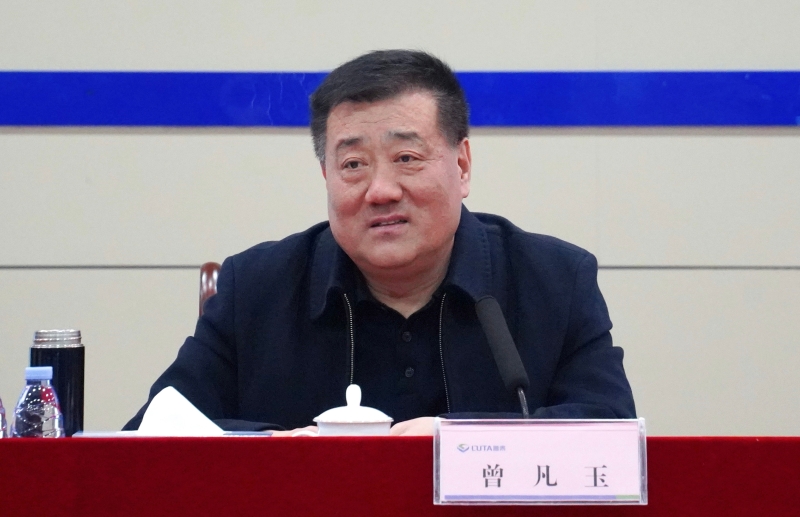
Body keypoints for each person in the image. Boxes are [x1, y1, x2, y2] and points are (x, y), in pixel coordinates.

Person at [124, 50, 635, 436]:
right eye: (353, 165)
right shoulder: (256, 288)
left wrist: (459, 441)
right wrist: (283, 448)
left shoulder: (554, 279)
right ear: (326, 176)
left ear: (461, 166)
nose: (381, 190)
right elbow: (155, 434)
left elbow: (612, 435)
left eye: (406, 158)